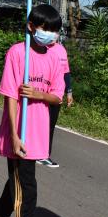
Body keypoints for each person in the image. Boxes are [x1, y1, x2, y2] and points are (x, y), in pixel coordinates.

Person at [0, 4, 64, 217]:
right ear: (31, 27)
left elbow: (57, 96)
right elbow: (10, 96)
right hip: (18, 132)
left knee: (18, 184)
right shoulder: (17, 52)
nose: (50, 33)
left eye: (54, 29)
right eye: (45, 28)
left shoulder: (55, 55)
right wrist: (13, 135)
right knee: (28, 193)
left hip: (38, 133)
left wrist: (38, 94)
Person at [37, 39, 73, 168]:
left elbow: (66, 72)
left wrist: (69, 92)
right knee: (38, 123)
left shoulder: (61, 49)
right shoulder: (40, 48)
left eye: (56, 30)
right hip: (41, 92)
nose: (53, 34)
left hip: (56, 95)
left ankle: (44, 154)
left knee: (50, 125)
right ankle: (34, 150)